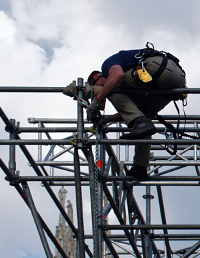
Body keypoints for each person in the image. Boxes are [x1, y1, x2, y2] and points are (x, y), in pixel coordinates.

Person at [77, 45, 186, 181]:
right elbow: (133, 112)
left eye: (97, 85)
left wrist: (97, 99)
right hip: (177, 82)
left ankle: (141, 125)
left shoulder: (107, 65)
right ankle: (140, 168)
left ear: (96, 76)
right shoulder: (134, 87)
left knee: (112, 86)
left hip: (156, 68)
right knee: (143, 120)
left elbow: (118, 76)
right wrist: (107, 119)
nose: (101, 88)